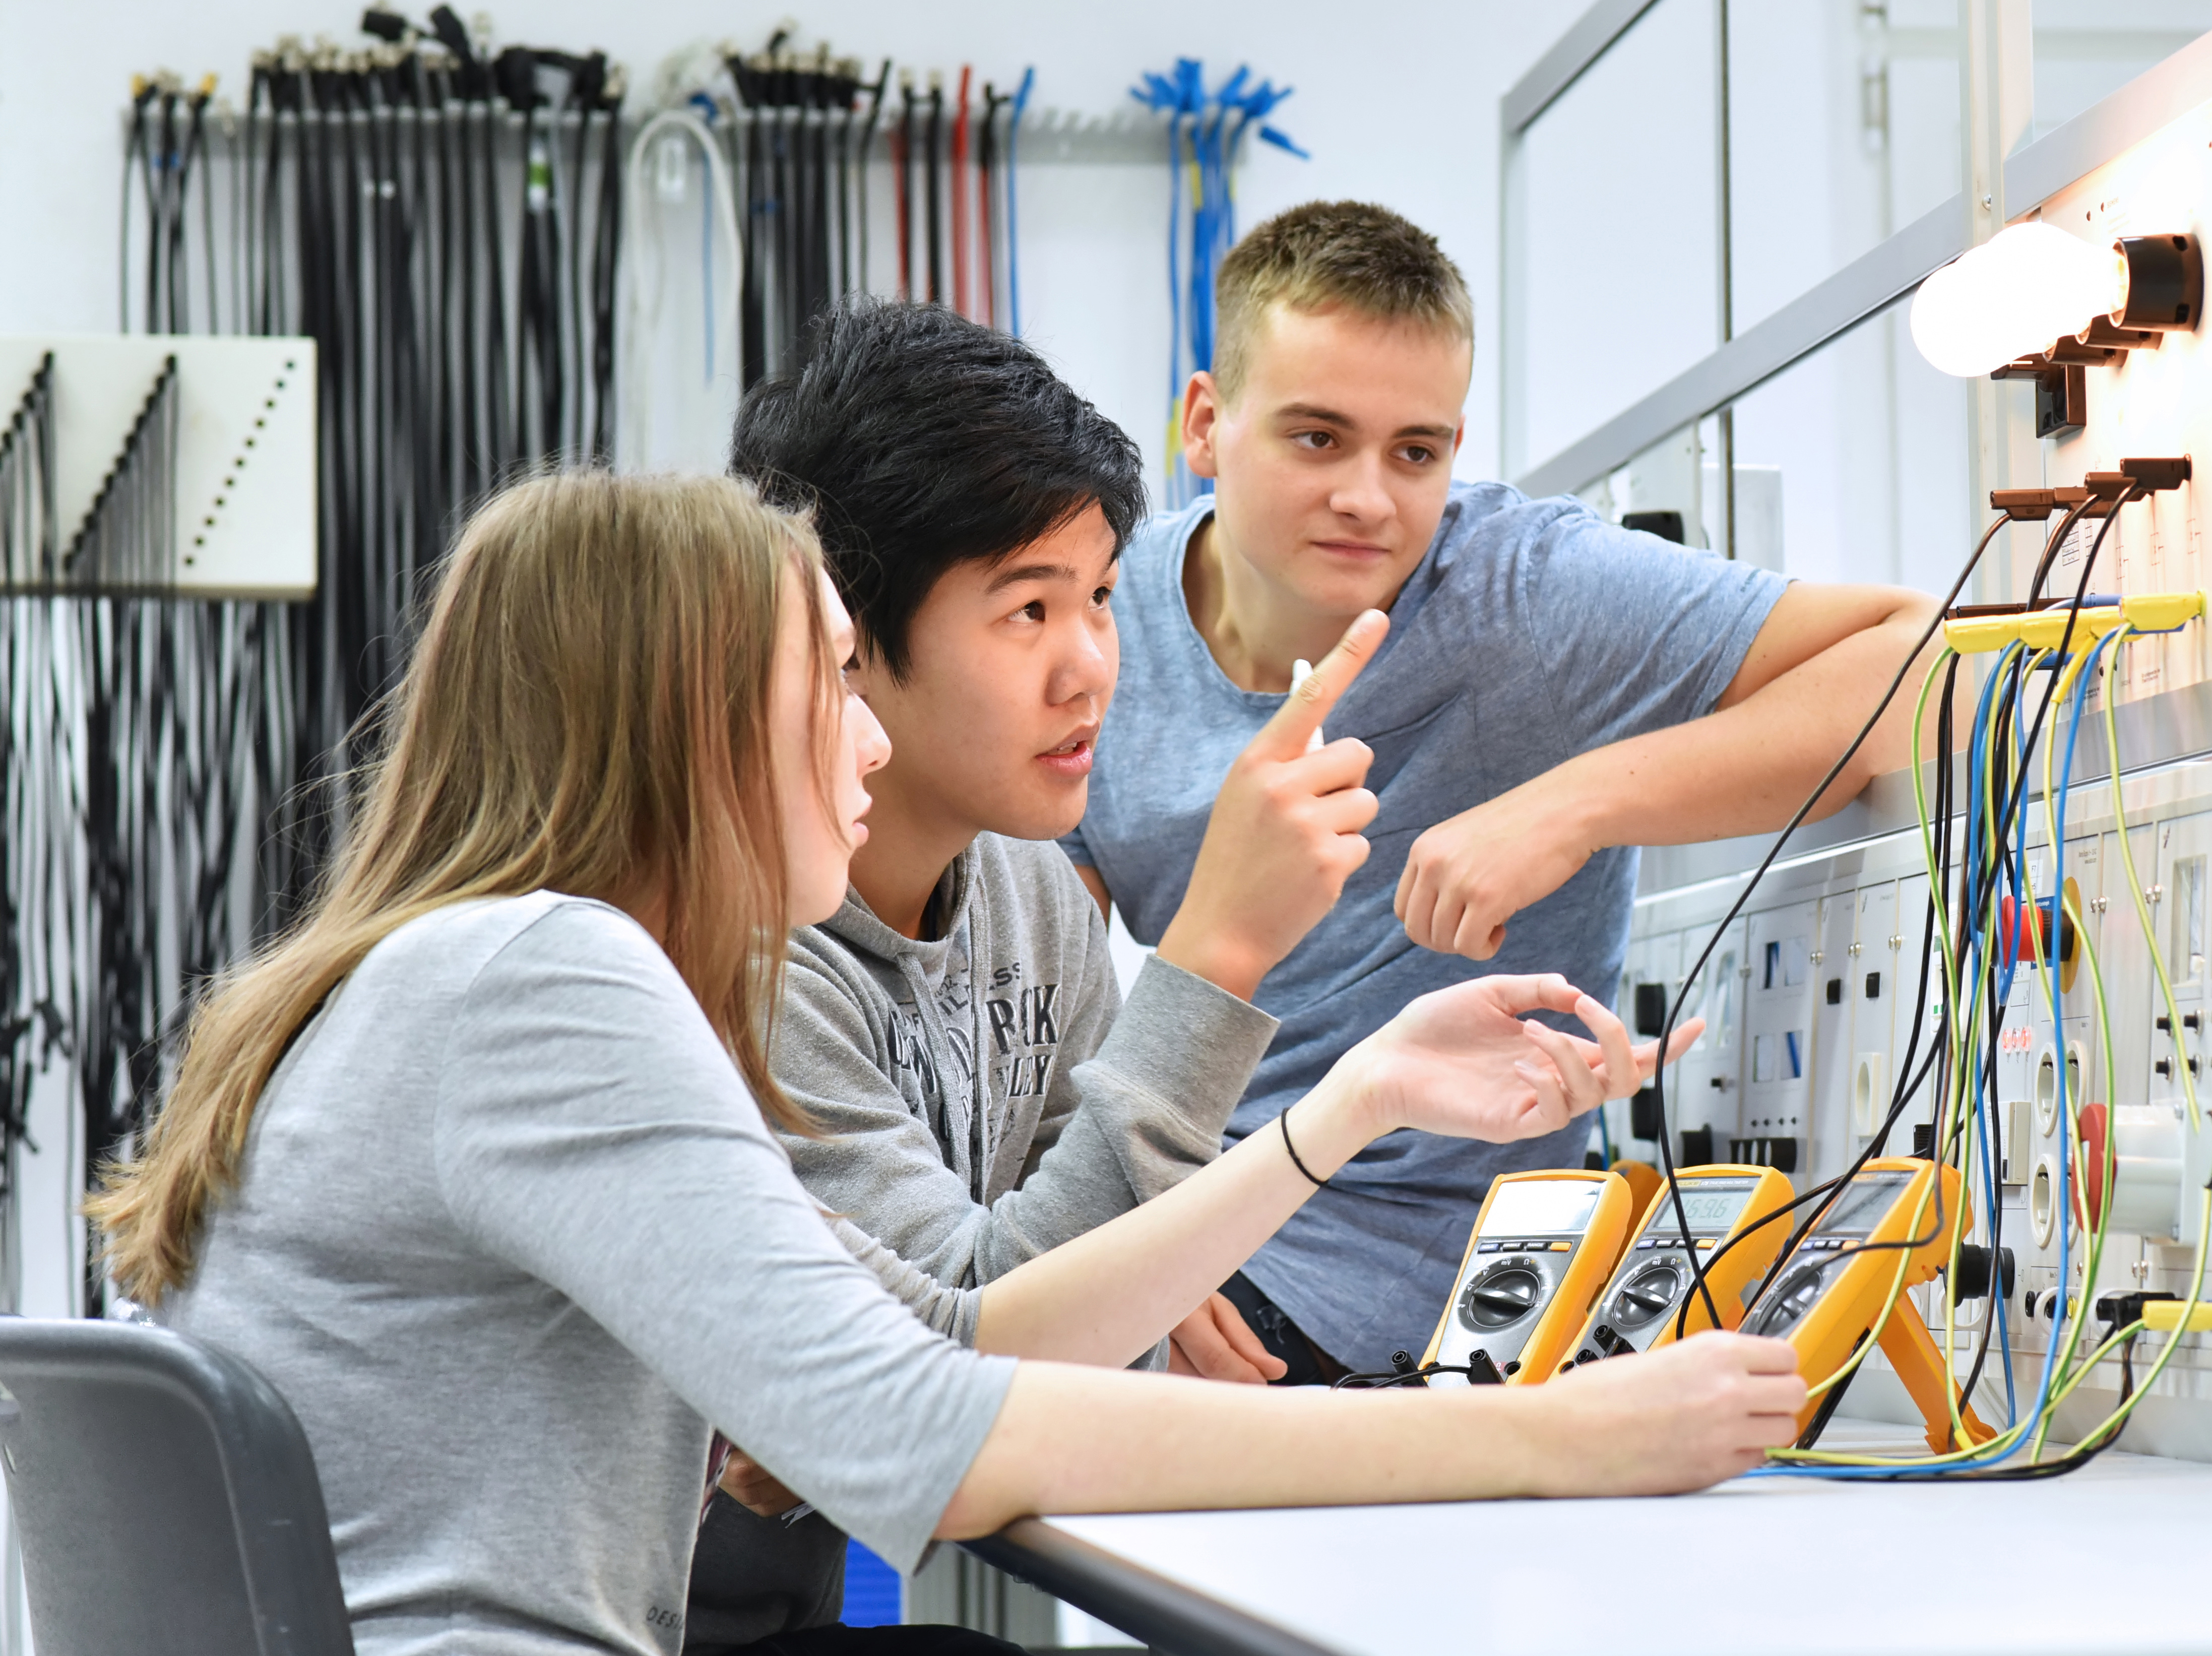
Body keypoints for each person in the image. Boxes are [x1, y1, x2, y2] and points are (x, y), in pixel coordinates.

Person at [96, 471, 1802, 1656]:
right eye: (829, 675)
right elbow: (934, 1427)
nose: (863, 733)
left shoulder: (464, 977)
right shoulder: (546, 976)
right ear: (690, 719)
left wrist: (1350, 1108)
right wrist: (1547, 1441)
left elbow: (954, 1333)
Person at [1065, 200, 1941, 1379]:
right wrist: (1151, 1225)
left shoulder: (1527, 594)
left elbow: (1929, 657)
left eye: (1415, 452)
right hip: (1178, 1227)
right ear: (1207, 425)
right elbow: (1038, 990)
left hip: (1405, 1288)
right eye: (1317, 439)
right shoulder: (1103, 638)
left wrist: (1573, 802)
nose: (1370, 498)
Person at [697, 302, 1424, 1649]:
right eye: (1027, 607)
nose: (1091, 663)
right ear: (840, 633)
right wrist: (1219, 949)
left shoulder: (1033, 896)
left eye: (1097, 597)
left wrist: (1133, 1270)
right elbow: (973, 1368)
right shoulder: (737, 946)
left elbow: (1083, 1313)